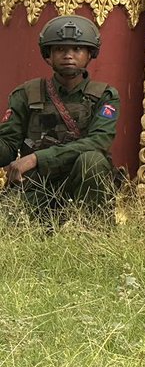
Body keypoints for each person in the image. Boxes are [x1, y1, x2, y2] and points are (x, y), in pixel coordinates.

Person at [0, 15, 119, 219]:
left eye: (77, 49)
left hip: (82, 184)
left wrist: (37, 158)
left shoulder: (105, 96)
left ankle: (91, 234)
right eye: (60, 49)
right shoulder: (27, 94)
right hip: (36, 185)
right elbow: (8, 147)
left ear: (90, 53)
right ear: (49, 55)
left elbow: (99, 141)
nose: (68, 55)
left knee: (92, 160)